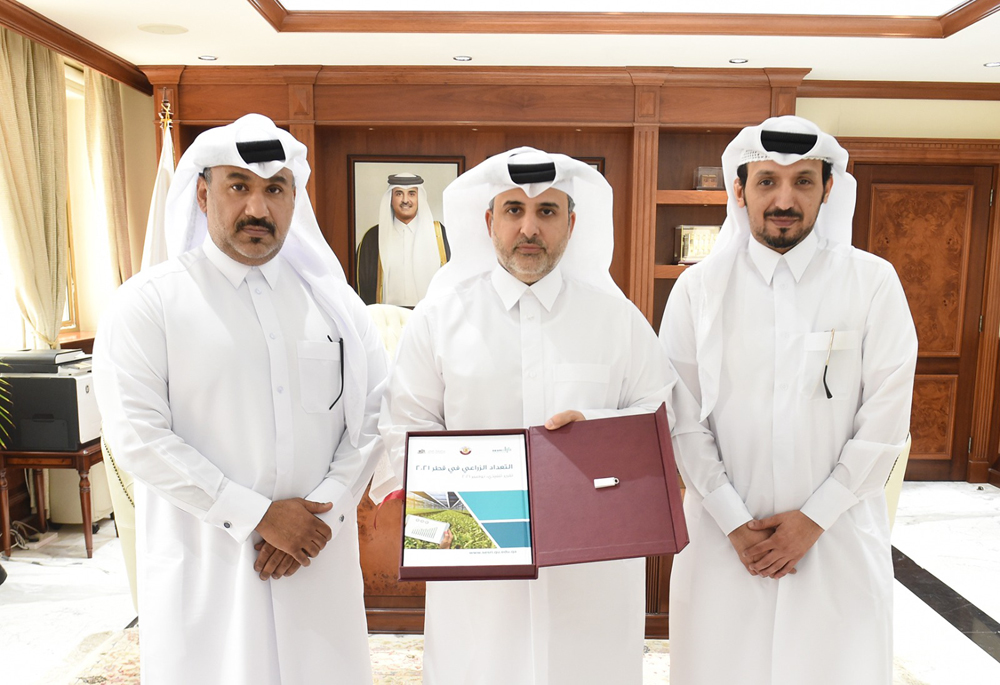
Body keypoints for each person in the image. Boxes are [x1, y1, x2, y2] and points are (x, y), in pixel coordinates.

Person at [93, 114, 388, 684]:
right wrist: (257, 516)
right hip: (210, 562)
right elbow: (137, 435)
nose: (258, 208)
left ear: (294, 199)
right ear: (203, 195)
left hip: (315, 556)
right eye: (238, 187)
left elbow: (375, 413)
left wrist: (321, 508)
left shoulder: (338, 308)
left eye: (274, 189)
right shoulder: (148, 304)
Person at [380, 148, 688, 684]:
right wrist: (454, 515)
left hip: (593, 565)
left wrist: (595, 431)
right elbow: (404, 427)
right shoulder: (440, 317)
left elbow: (661, 418)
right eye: (513, 210)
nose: (529, 227)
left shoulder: (615, 317)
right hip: (475, 560)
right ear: (488, 222)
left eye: (546, 212)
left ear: (571, 223)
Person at [660, 116, 918, 685]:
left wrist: (813, 520)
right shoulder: (697, 291)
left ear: (828, 189)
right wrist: (732, 520)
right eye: (767, 181)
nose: (784, 198)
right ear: (739, 188)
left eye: (803, 181)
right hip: (724, 543)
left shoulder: (872, 283)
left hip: (837, 538)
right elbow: (681, 418)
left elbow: (884, 422)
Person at [356, 173, 450, 306]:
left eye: (412, 193)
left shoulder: (439, 235)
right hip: (386, 320)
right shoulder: (372, 238)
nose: (405, 200)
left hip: (428, 319)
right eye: (399, 194)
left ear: (419, 198)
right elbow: (363, 289)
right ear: (390, 198)